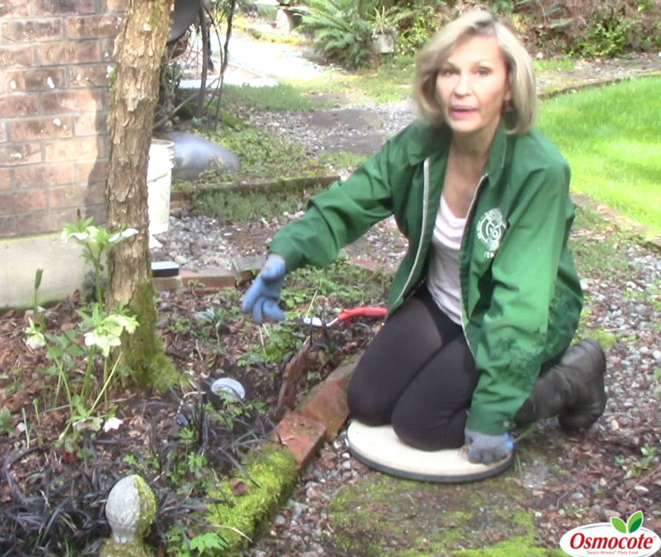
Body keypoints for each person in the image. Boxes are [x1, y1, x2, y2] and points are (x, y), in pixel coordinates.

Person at [241, 9, 606, 465]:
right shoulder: (422, 145)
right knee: (369, 401)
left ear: (510, 87)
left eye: (482, 72)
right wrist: (285, 253)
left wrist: (493, 415)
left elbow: (521, 304)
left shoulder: (538, 171)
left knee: (422, 424)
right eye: (449, 71)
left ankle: (573, 376)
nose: (461, 88)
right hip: (442, 300)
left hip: (511, 317)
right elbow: (352, 200)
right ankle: (467, 378)